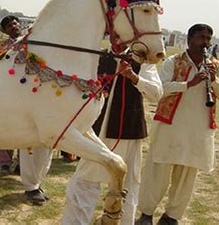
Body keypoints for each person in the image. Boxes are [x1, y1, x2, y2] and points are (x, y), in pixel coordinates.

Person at [135, 24, 219, 225]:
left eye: (208, 38)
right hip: (170, 128)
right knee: (157, 173)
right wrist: (189, 84)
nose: (205, 42)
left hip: (198, 131)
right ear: (189, 40)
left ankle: (171, 217)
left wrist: (213, 80)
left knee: (187, 177)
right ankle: (146, 214)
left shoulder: (216, 66)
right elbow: (160, 88)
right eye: (200, 37)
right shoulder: (173, 61)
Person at [62, 51, 163, 225]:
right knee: (85, 181)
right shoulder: (99, 55)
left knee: (126, 186)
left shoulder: (143, 60)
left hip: (128, 132)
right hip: (95, 131)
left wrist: (134, 77)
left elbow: (156, 94)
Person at [0, 15, 52, 205]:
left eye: (16, 23)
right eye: (9, 25)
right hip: (6, 92)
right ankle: (3, 163)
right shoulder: (2, 46)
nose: (14, 26)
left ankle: (23, 167)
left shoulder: (29, 42)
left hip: (27, 92)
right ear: (4, 31)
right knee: (5, 129)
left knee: (26, 133)